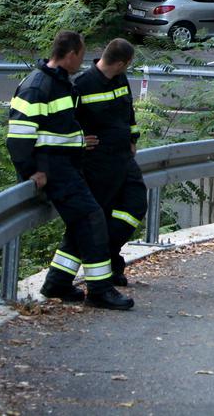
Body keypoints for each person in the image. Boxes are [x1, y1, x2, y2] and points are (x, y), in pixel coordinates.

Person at [6, 30, 133, 310]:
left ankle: (58, 284)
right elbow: (18, 138)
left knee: (82, 221)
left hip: (66, 167)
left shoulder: (60, 83)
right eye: (82, 55)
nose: (83, 61)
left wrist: (79, 141)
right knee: (91, 218)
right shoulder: (37, 87)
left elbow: (58, 129)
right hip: (53, 172)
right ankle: (100, 290)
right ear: (72, 53)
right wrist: (32, 172)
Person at [74, 38, 147, 288]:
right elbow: (67, 121)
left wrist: (133, 137)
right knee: (103, 214)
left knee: (136, 204)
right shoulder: (83, 84)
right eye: (127, 65)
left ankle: (103, 251)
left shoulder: (120, 79)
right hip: (98, 163)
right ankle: (110, 266)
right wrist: (79, 141)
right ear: (121, 63)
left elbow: (129, 114)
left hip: (124, 158)